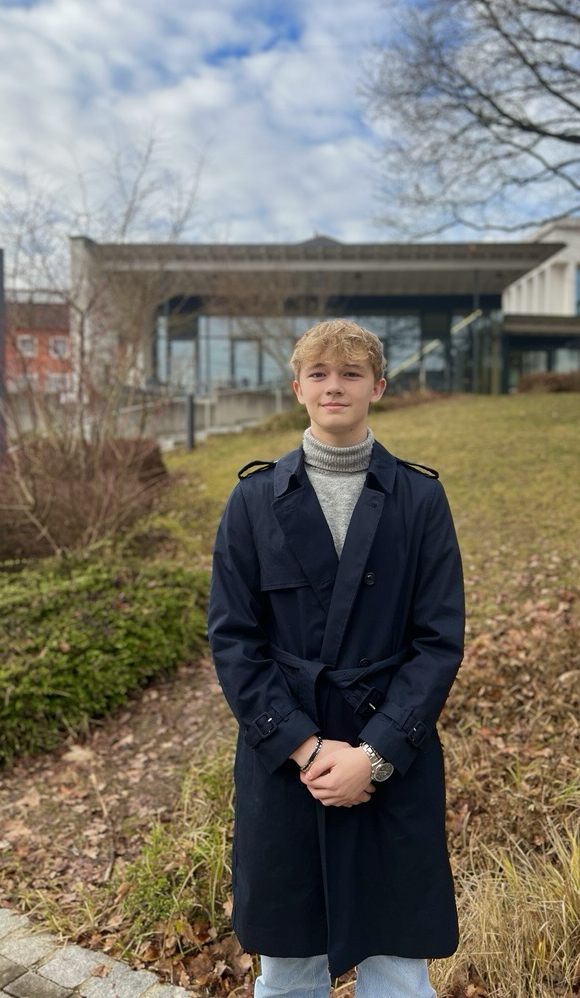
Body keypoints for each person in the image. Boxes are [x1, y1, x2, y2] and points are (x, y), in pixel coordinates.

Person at [208, 320, 464, 998]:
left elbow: (438, 640)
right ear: (297, 388)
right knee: (288, 971)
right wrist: (306, 748)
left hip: (392, 758)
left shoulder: (420, 498)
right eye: (319, 373)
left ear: (378, 386)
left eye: (351, 373)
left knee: (399, 971)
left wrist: (373, 756)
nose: (334, 386)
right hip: (287, 762)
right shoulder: (254, 499)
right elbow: (233, 639)